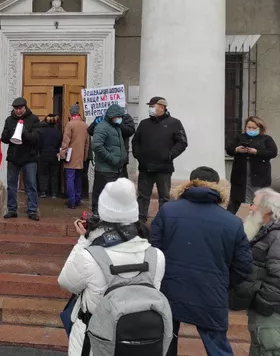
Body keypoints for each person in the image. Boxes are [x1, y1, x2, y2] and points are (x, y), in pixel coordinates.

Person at [151, 166, 253, 356]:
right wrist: (222, 281)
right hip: (211, 293)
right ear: (217, 186)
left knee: (165, 343)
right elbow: (244, 266)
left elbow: (154, 252)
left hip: (170, 289)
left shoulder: (168, 211)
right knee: (217, 348)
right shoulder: (232, 222)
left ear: (190, 183)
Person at [58, 178, 165, 355]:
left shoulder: (90, 256)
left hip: (94, 339)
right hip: (139, 340)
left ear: (103, 212)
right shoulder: (156, 256)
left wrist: (84, 240)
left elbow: (66, 282)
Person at [231, 188, 280, 356]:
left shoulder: (277, 236)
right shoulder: (265, 232)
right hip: (262, 314)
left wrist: (262, 300)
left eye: (254, 204)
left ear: (268, 209)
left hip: (270, 314)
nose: (250, 208)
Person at [132, 96, 188, 222]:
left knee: (164, 197)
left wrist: (169, 155)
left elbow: (182, 142)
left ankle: (163, 221)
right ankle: (140, 221)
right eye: (150, 106)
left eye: (153, 106)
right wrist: (138, 155)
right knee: (143, 197)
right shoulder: (144, 124)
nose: (150, 109)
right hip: (145, 167)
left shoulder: (174, 123)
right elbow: (135, 141)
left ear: (162, 107)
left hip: (164, 168)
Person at [226, 116, 278, 214]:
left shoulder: (266, 139)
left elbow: (273, 152)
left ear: (260, 128)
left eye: (254, 128)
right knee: (242, 197)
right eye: (249, 127)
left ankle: (257, 217)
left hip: (259, 174)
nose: (251, 130)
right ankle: (242, 218)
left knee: (258, 198)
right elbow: (229, 149)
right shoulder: (240, 137)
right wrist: (237, 149)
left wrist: (256, 152)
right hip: (241, 173)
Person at [1, 97, 40, 221]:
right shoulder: (9, 120)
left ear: (25, 107)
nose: (18, 111)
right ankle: (12, 209)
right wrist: (12, 133)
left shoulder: (34, 119)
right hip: (13, 157)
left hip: (29, 157)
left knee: (31, 185)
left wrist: (23, 133)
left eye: (20, 108)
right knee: (11, 185)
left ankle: (32, 210)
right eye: (16, 109)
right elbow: (3, 138)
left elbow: (35, 138)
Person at [90, 104, 127, 215]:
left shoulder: (116, 127)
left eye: (121, 117)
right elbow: (97, 146)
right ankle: (98, 216)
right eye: (118, 116)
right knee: (102, 194)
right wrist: (112, 159)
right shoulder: (102, 127)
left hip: (115, 169)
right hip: (105, 169)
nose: (120, 119)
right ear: (111, 116)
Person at [88, 108, 135, 178]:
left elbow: (130, 131)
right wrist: (96, 121)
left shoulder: (125, 116)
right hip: (104, 161)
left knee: (121, 182)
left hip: (120, 159)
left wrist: (118, 123)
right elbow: (90, 131)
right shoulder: (101, 116)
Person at [60, 105, 90, 209]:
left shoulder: (70, 124)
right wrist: (85, 156)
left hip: (70, 156)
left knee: (70, 179)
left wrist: (62, 154)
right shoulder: (85, 125)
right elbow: (87, 143)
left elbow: (66, 141)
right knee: (78, 179)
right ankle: (77, 199)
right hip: (80, 156)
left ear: (70, 113)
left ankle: (71, 201)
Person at [37, 114, 62, 199]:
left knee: (43, 173)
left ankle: (43, 191)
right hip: (54, 155)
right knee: (54, 174)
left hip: (43, 155)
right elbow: (59, 145)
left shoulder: (40, 131)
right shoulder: (58, 133)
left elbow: (39, 144)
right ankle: (54, 193)